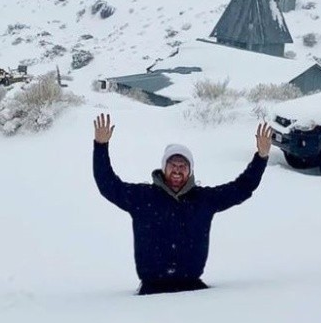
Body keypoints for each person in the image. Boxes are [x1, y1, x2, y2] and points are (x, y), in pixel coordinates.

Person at [92, 113, 273, 295]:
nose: (177, 170)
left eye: (183, 166)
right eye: (173, 164)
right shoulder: (143, 198)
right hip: (151, 293)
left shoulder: (203, 200)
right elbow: (108, 185)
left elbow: (241, 188)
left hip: (193, 290)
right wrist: (101, 146)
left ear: (190, 171)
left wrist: (261, 157)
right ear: (164, 168)